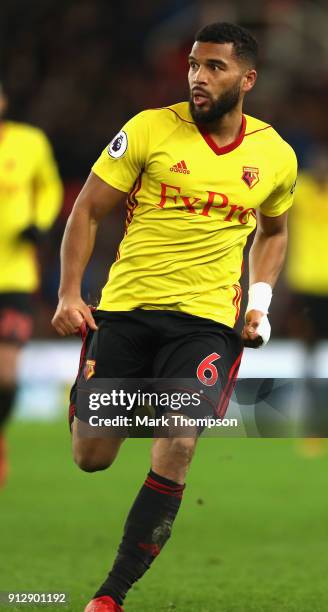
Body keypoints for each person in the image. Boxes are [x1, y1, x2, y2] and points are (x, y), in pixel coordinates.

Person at [52, 22, 297, 612]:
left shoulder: (274, 155)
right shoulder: (147, 128)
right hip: (129, 310)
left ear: (248, 78)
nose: (197, 76)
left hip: (208, 322)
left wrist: (258, 304)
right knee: (93, 455)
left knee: (178, 442)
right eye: (193, 64)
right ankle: (104, 399)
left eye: (213, 67)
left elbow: (275, 231)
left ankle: (111, 595)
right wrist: (68, 294)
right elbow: (86, 211)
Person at [0, 83, 63, 486]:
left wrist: (38, 223)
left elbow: (50, 187)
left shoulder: (30, 141)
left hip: (15, 277)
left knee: (5, 373)